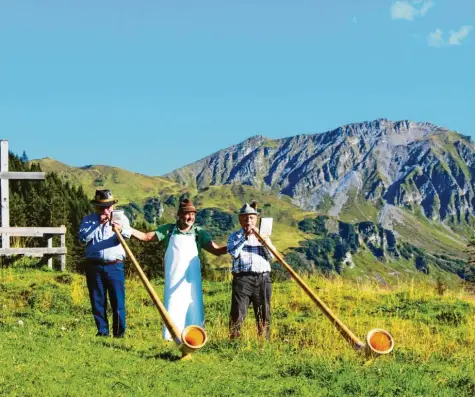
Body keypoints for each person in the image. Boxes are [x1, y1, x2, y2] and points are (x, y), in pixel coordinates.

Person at [123, 198, 227, 341]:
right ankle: (170, 338)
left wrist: (235, 244)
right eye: (187, 214)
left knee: (194, 307)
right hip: (173, 279)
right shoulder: (169, 230)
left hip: (192, 282)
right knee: (172, 306)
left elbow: (217, 251)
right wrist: (125, 229)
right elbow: (146, 237)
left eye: (193, 214)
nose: (190, 217)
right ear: (179, 215)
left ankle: (195, 338)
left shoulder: (199, 233)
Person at [78, 189, 132, 338]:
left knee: (118, 301)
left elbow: (128, 234)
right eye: (102, 207)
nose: (105, 210)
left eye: (108, 206)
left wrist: (119, 229)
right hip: (93, 265)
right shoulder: (88, 220)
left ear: (113, 206)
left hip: (114, 265)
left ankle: (119, 334)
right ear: (96, 207)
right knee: (97, 300)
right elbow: (82, 239)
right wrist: (97, 225)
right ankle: (102, 332)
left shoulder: (121, 219)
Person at [227, 201, 275, 340]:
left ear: (256, 219)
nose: (248, 221)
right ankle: (234, 342)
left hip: (263, 279)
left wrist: (263, 240)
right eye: (245, 218)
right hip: (242, 279)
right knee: (238, 311)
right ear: (240, 219)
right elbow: (233, 252)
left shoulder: (263, 236)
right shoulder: (234, 236)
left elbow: (272, 256)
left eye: (251, 218)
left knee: (264, 312)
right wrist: (245, 237)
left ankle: (263, 343)